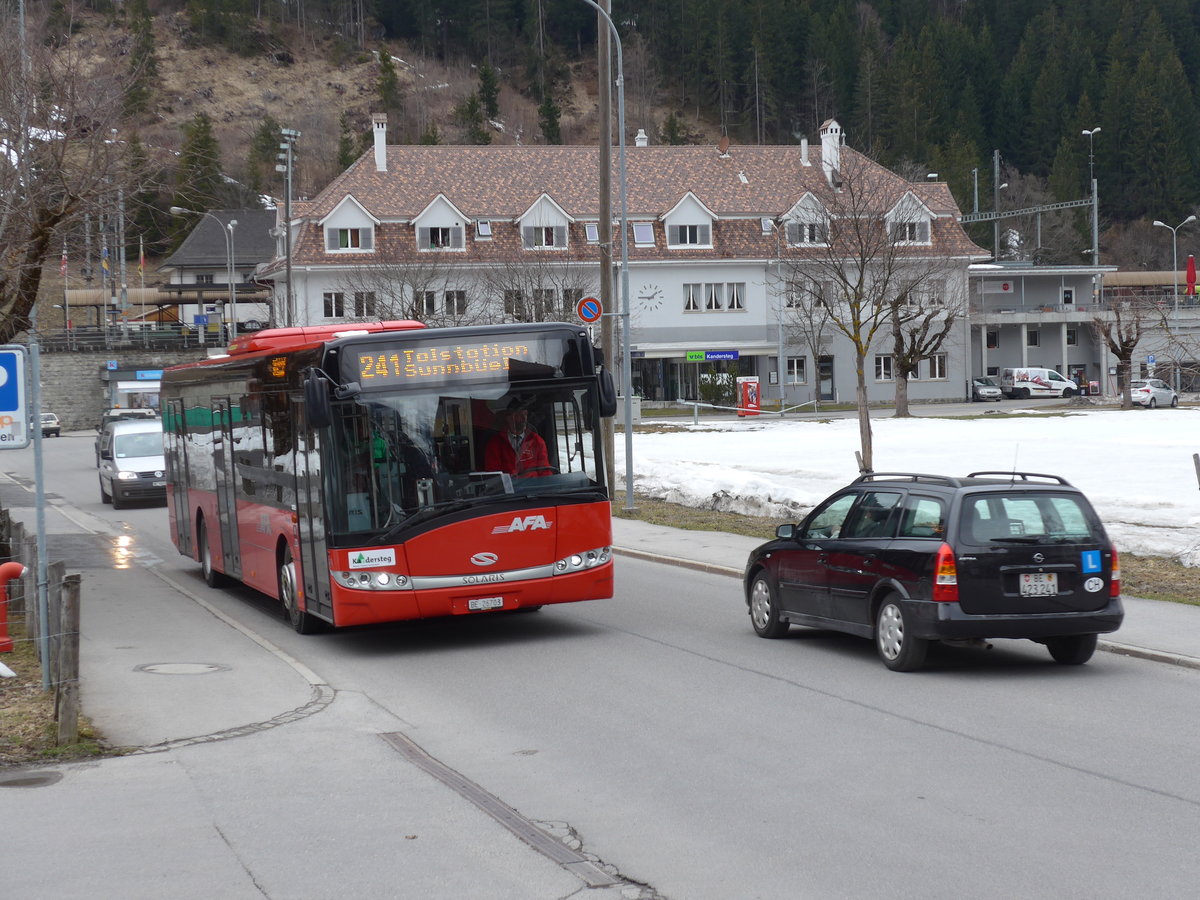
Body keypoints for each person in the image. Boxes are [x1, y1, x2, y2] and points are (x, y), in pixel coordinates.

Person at [484, 401, 552, 477]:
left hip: (533, 487)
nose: (524, 418)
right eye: (519, 415)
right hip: (509, 487)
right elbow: (493, 474)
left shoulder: (537, 441)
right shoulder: (496, 443)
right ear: (509, 418)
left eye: (525, 414)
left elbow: (545, 471)